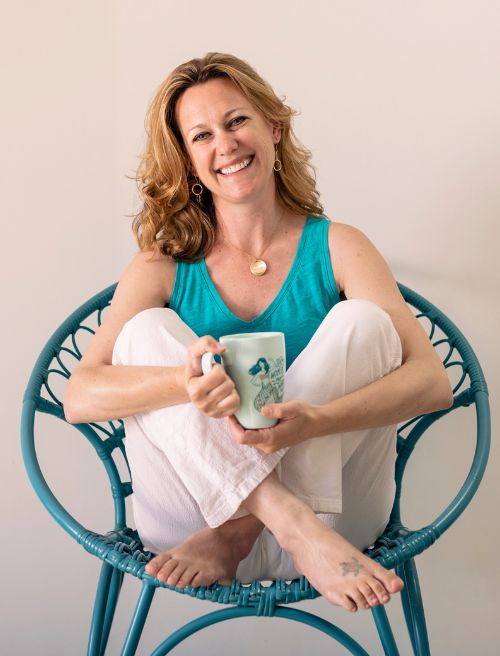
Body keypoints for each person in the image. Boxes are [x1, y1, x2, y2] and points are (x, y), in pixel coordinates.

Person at [64, 52, 453, 614]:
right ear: (187, 160)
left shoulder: (339, 245)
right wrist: (184, 382)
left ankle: (257, 521)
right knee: (147, 331)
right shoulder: (162, 266)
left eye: (236, 120)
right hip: (198, 525)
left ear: (273, 127)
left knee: (362, 321)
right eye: (201, 135)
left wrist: (316, 421)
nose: (225, 144)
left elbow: (431, 383)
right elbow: (80, 396)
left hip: (335, 522)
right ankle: (267, 515)